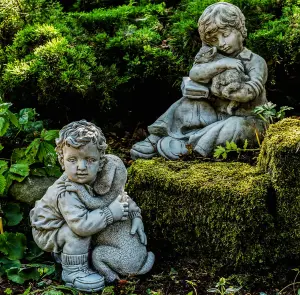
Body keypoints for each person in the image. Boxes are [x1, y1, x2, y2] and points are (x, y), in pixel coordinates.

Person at [131, 2, 267, 160]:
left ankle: (190, 146)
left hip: (248, 120)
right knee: (187, 103)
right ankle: (157, 137)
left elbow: (248, 93)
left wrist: (216, 90)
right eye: (215, 39)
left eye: (226, 34)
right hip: (216, 114)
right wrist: (220, 64)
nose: (222, 43)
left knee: (233, 127)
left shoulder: (255, 61)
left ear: (240, 29)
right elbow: (195, 73)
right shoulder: (214, 56)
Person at [30, 120, 145, 292]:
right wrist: (110, 214)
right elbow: (82, 226)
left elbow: (119, 195)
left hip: (77, 220)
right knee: (76, 234)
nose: (81, 167)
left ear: (101, 162)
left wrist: (135, 215)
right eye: (72, 160)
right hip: (50, 230)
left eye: (90, 160)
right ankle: (74, 272)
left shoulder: (100, 178)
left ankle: (73, 254)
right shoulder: (66, 192)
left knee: (86, 229)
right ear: (62, 160)